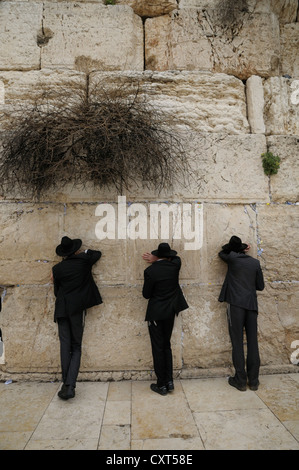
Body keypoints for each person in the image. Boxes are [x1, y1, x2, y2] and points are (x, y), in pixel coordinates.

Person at [52, 236, 102, 400]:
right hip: (76, 310)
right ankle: (70, 385)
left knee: (64, 346)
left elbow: (56, 292)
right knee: (77, 346)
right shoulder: (84, 261)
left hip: (62, 309)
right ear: (76, 250)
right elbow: (97, 253)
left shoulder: (57, 269)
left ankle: (66, 384)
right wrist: (83, 252)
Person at [218, 235, 265, 391]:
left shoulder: (231, 258)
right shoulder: (255, 262)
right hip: (251, 305)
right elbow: (260, 286)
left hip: (236, 305)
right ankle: (254, 381)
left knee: (237, 342)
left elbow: (221, 252)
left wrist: (236, 248)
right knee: (253, 342)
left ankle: (240, 380)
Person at [142, 242, 189, 396]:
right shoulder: (174, 266)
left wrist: (155, 261)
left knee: (158, 348)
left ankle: (161, 384)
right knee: (166, 345)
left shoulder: (150, 271)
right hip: (170, 312)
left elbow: (146, 294)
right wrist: (159, 259)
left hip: (155, 314)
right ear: (169, 256)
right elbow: (177, 259)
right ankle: (169, 381)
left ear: (156, 255)